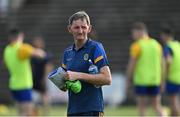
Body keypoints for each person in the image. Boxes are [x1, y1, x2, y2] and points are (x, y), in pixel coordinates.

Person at [60, 11, 112, 116]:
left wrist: (78, 75)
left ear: (89, 28)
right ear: (69, 29)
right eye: (76, 27)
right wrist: (61, 82)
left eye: (83, 27)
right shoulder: (67, 52)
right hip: (73, 110)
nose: (80, 31)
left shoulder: (96, 48)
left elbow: (107, 78)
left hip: (92, 109)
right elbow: (64, 84)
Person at [3, 29, 45, 116]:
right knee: (28, 113)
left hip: (13, 85)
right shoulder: (22, 48)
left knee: (20, 112)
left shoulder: (7, 49)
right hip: (24, 85)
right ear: (20, 36)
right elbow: (40, 54)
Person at [126, 22, 164, 116]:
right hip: (155, 80)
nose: (133, 35)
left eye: (134, 33)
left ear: (140, 32)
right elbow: (162, 64)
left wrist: (128, 79)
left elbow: (132, 64)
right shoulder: (157, 45)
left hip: (141, 81)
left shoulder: (137, 45)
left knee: (142, 107)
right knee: (157, 106)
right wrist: (162, 79)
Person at [31, 37, 53, 115]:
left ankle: (46, 113)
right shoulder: (32, 53)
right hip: (34, 78)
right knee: (34, 97)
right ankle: (35, 113)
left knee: (44, 95)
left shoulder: (46, 53)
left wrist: (45, 77)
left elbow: (48, 66)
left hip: (42, 77)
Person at [160, 27, 180, 116]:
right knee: (175, 102)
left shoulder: (168, 47)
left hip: (172, 78)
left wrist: (164, 76)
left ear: (166, 36)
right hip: (178, 76)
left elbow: (168, 61)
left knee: (173, 102)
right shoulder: (177, 45)